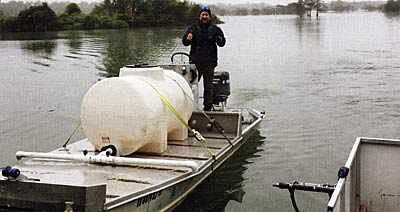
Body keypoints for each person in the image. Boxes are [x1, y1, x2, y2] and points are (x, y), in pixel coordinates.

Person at [182, 6, 226, 111]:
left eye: (206, 15)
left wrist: (219, 39)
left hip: (209, 63)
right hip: (194, 63)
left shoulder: (216, 29)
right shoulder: (192, 28)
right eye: (203, 15)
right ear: (199, 16)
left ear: (210, 17)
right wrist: (187, 39)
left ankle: (207, 108)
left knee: (208, 87)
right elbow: (185, 42)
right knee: (192, 86)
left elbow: (222, 43)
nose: (204, 17)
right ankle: (190, 108)